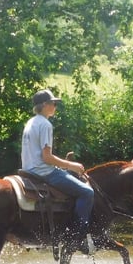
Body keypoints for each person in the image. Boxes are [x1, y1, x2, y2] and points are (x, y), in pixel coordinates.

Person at [21, 89, 95, 255]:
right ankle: (78, 236)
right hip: (44, 172)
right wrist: (71, 165)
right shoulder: (45, 125)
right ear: (45, 105)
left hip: (28, 170)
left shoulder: (31, 122)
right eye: (53, 103)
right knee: (87, 193)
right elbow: (47, 157)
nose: (55, 106)